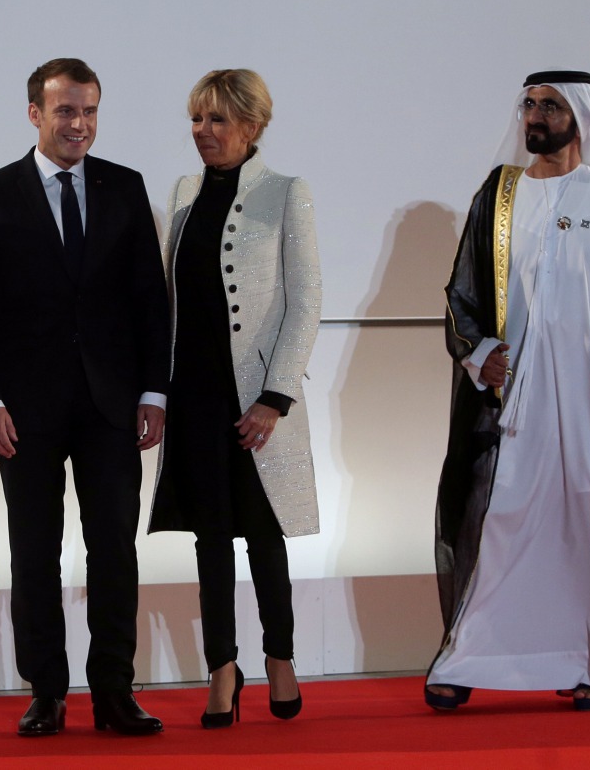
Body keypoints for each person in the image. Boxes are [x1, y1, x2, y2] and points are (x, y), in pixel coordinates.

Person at [425, 69, 590, 712]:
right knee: (501, 523)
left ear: (582, 116)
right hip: (514, 403)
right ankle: (472, 659)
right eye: (528, 105)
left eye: (549, 105)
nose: (534, 115)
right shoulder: (501, 194)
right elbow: (461, 292)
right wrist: (481, 353)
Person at [0, 58, 170, 737]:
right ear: (35, 114)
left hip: (113, 405)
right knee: (34, 548)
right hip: (23, 408)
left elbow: (148, 297)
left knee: (114, 548)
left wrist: (152, 390)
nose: (78, 124)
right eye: (64, 111)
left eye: (89, 111)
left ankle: (114, 688)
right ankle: (45, 689)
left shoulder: (126, 186)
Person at [148, 69, 322, 729]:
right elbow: (173, 305)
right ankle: (223, 666)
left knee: (266, 534)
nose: (204, 132)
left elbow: (306, 299)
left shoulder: (286, 193)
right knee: (210, 539)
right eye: (197, 119)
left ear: (251, 126)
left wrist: (275, 397)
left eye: (217, 120)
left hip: (256, 398)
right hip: (193, 396)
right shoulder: (183, 193)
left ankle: (280, 657)